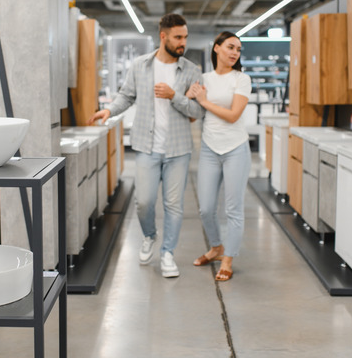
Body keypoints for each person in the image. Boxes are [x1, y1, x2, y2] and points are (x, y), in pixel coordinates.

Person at [88, 14, 204, 278]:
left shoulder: (192, 71)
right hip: (146, 145)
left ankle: (167, 253)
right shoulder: (140, 66)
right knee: (144, 202)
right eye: (178, 37)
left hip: (178, 148)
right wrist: (109, 111)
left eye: (185, 37)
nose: (182, 42)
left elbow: (198, 111)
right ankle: (149, 236)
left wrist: (174, 96)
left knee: (173, 205)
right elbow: (126, 96)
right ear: (163, 37)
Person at [187, 31, 251, 281]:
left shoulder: (242, 79)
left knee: (234, 209)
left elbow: (234, 115)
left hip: (236, 148)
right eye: (230, 47)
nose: (235, 52)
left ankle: (228, 259)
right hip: (210, 148)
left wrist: (203, 101)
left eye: (238, 49)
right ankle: (216, 247)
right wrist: (191, 97)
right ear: (216, 48)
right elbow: (193, 116)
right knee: (206, 208)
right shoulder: (203, 79)